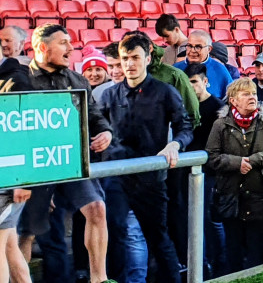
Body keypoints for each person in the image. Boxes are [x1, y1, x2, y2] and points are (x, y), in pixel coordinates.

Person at [20, 25, 113, 283]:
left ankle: (99, 278)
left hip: (71, 162)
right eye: (63, 43)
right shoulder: (19, 81)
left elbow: (93, 116)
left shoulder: (77, 80)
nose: (71, 49)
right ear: (42, 48)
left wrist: (106, 133)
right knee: (26, 231)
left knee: (96, 209)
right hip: (34, 170)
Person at [100, 33, 192, 283]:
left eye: (135, 58)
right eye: (124, 58)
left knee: (158, 237)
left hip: (150, 178)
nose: (129, 64)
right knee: (114, 233)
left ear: (148, 58)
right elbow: (96, 128)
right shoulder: (109, 96)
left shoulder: (165, 92)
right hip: (116, 178)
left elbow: (185, 127)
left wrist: (175, 143)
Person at [206, 78, 263, 275]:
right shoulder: (220, 125)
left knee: (256, 252)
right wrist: (236, 163)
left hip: (259, 197)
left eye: (254, 94)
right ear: (233, 100)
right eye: (246, 94)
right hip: (231, 198)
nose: (252, 97)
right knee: (234, 252)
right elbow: (212, 157)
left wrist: (254, 160)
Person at [183, 63, 228, 276]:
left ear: (205, 82)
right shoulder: (183, 106)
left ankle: (220, 263)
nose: (191, 86)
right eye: (188, 82)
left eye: (194, 82)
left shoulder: (218, 107)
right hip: (187, 170)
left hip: (210, 172)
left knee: (210, 219)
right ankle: (201, 264)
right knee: (192, 219)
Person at [0, 43, 32, 283]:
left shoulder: (16, 80)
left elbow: (27, 131)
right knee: (9, 244)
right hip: (7, 176)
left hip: (11, 179)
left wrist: (23, 179)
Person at [174, 30, 234, 99]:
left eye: (198, 47)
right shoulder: (176, 69)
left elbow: (231, 98)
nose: (193, 50)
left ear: (209, 49)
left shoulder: (220, 70)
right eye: (189, 46)